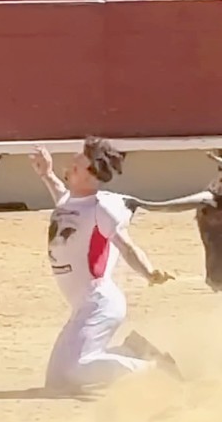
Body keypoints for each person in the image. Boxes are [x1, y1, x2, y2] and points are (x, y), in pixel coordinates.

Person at [29, 138, 180, 391]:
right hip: (84, 304)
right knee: (58, 381)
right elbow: (62, 197)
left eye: (76, 167)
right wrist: (47, 174)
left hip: (99, 302)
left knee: (75, 369)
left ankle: (154, 369)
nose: (70, 167)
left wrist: (148, 272)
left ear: (90, 176)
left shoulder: (101, 209)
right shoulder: (71, 201)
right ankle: (132, 351)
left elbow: (126, 246)